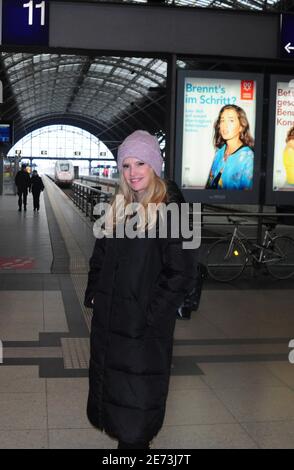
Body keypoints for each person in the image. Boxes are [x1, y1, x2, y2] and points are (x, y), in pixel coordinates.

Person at [84, 130, 198, 449]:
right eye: (126, 165)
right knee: (120, 408)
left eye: (141, 163)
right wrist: (95, 292)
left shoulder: (173, 209)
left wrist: (147, 317)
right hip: (111, 326)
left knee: (134, 419)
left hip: (141, 333)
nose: (132, 172)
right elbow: (101, 255)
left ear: (155, 166)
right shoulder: (120, 205)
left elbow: (183, 274)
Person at [206, 104, 254, 190]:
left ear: (241, 127)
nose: (225, 125)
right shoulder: (219, 152)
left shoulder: (248, 158)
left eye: (231, 120)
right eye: (222, 120)